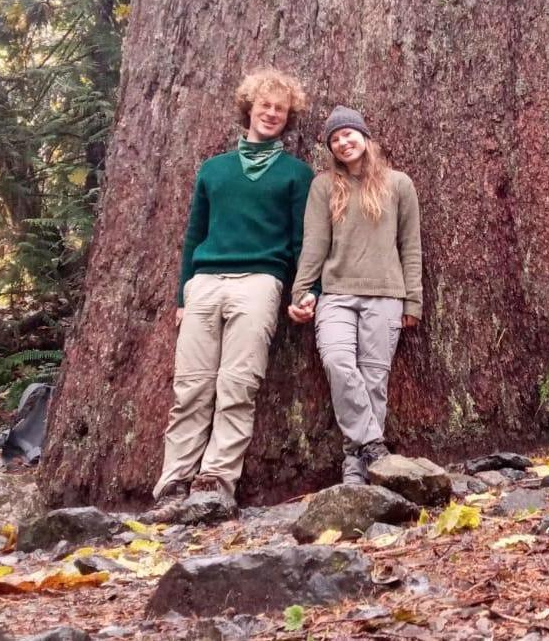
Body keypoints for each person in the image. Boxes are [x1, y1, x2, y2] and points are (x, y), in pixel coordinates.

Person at [152, 67, 312, 509]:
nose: (272, 114)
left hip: (260, 283)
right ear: (249, 108)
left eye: (280, 109)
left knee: (237, 385)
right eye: (265, 105)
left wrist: (302, 291)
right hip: (205, 284)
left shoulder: (297, 174)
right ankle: (173, 482)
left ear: (288, 117)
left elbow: (302, 242)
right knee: (191, 387)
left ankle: (216, 482)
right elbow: (192, 235)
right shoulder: (214, 170)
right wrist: (182, 294)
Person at [288, 106, 422, 485]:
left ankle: (355, 464)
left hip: (385, 296)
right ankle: (375, 448)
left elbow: (410, 246)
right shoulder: (324, 186)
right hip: (336, 295)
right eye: (335, 139)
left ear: (364, 136)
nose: (343, 142)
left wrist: (414, 301)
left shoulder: (399, 184)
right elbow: (314, 244)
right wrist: (302, 291)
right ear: (331, 149)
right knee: (338, 363)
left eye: (348, 134)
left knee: (374, 379)